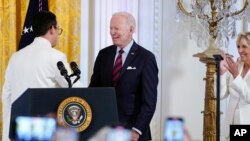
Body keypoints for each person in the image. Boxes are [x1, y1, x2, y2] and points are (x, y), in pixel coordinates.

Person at [2, 11, 82, 141]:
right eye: (58, 29)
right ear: (51, 29)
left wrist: (7, 134)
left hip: (18, 132)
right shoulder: (56, 57)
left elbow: (6, 96)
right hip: (43, 132)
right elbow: (77, 90)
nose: (58, 34)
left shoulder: (15, 57)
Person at [89, 12, 158, 141]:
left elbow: (149, 101)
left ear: (131, 30)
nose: (112, 32)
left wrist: (137, 130)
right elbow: (93, 91)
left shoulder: (146, 58)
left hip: (132, 132)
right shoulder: (103, 54)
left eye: (116, 28)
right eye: (110, 28)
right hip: (105, 131)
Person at [220, 32, 250, 140]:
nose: (240, 50)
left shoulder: (235, 71)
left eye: (244, 46)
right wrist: (222, 73)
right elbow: (221, 95)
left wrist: (236, 75)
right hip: (229, 129)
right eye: (238, 46)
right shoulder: (237, 66)